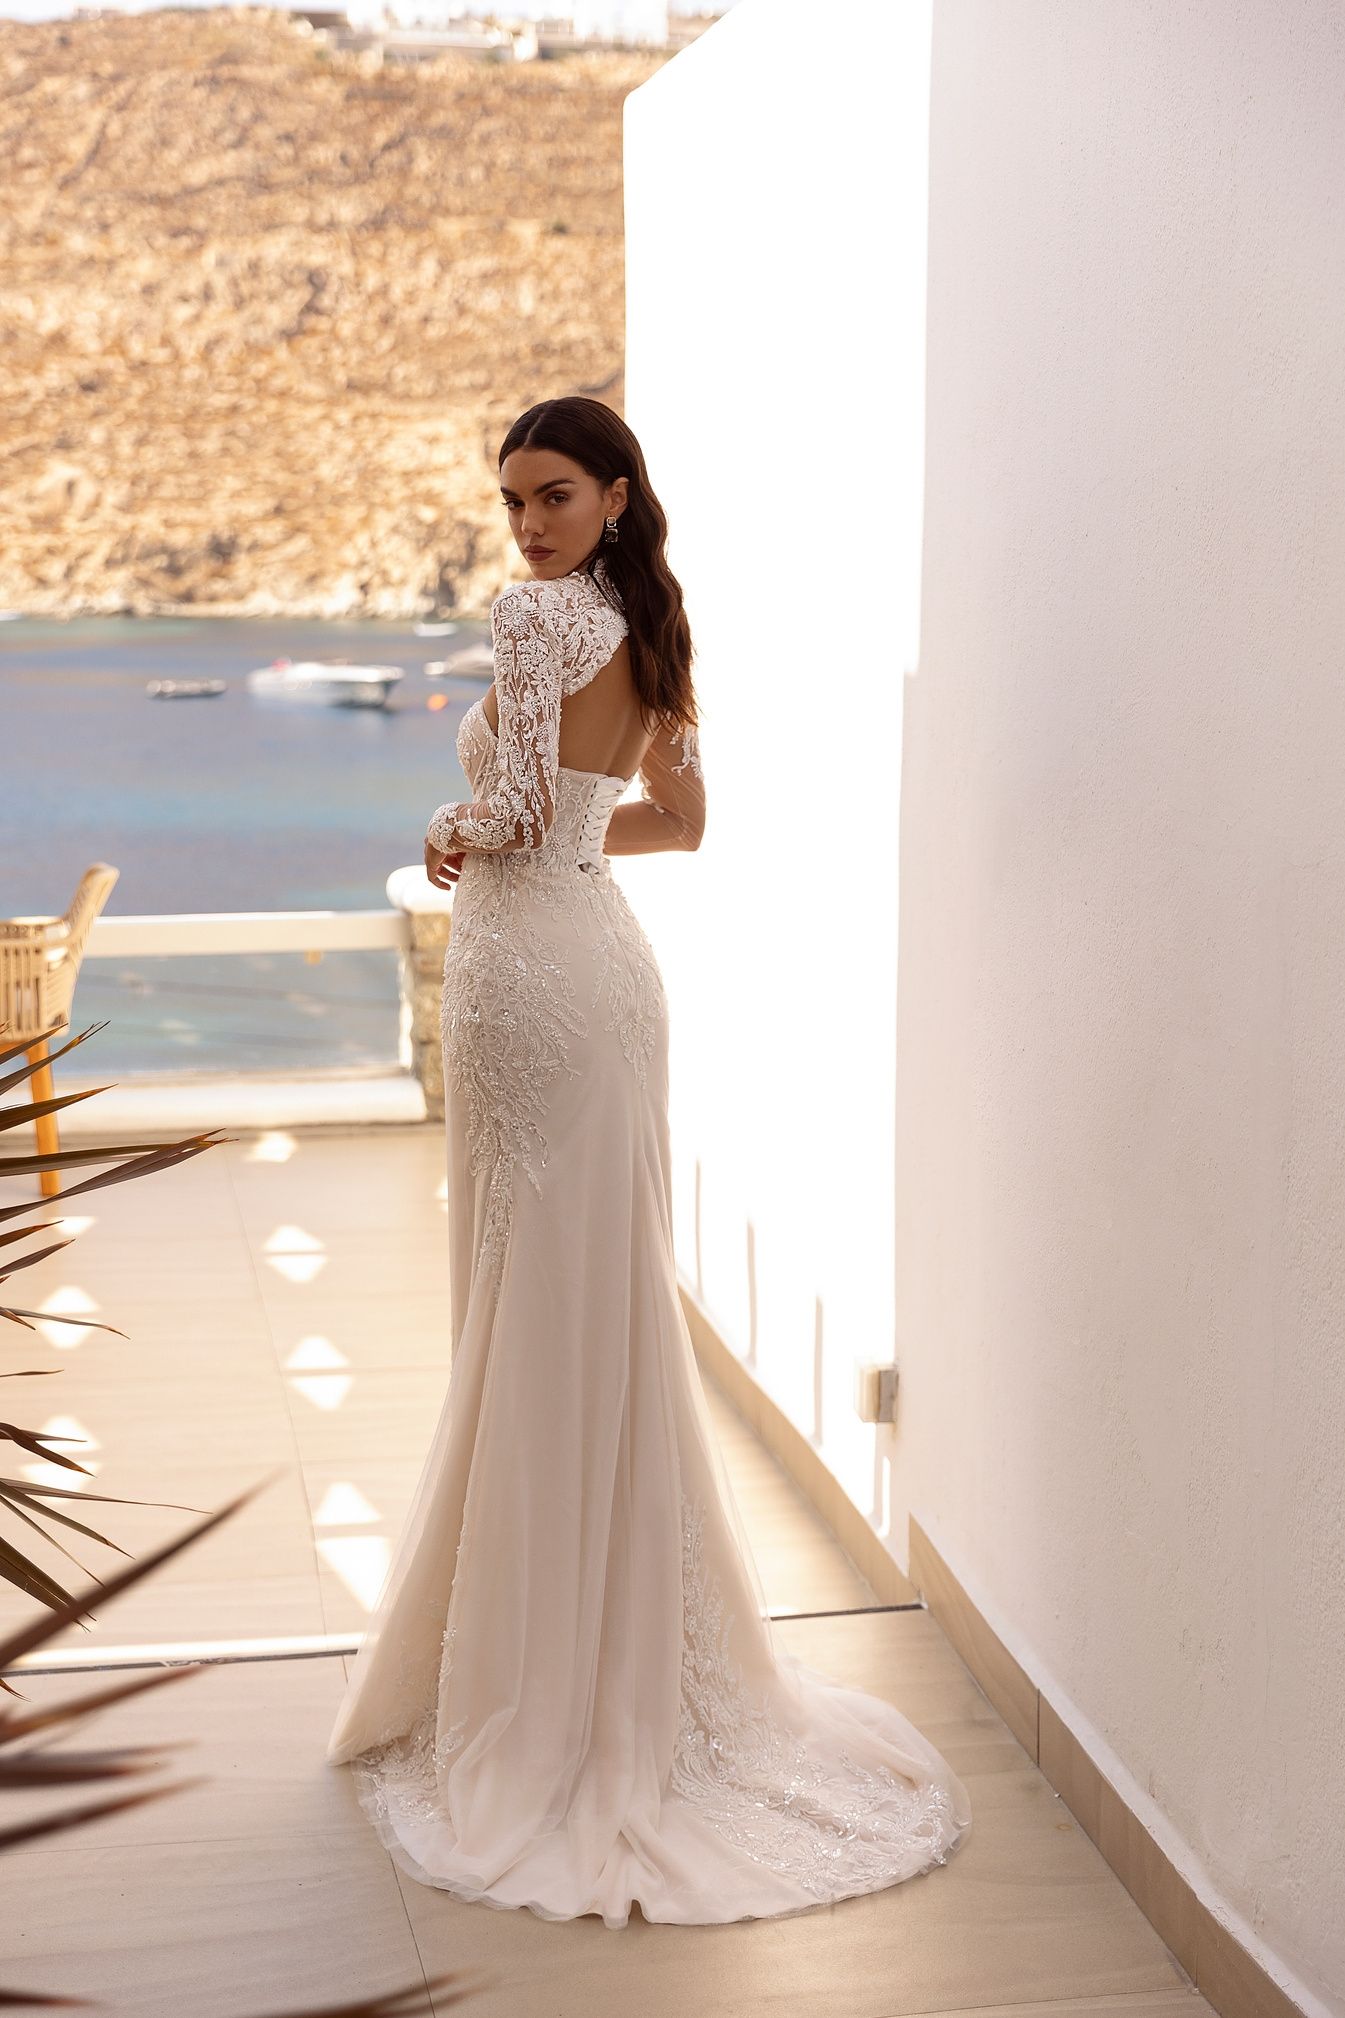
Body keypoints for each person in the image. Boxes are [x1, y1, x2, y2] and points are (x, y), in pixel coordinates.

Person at [325, 396, 972, 1926]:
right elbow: (671, 824)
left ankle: (540, 1685)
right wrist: (531, 837)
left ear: (615, 494)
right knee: (586, 1301)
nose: (526, 525)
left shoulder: (536, 619)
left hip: (531, 982)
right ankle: (606, 1662)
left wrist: (456, 816)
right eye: (510, 503)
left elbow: (514, 809)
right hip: (600, 974)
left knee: (527, 1305)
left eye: (552, 493)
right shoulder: (652, 625)